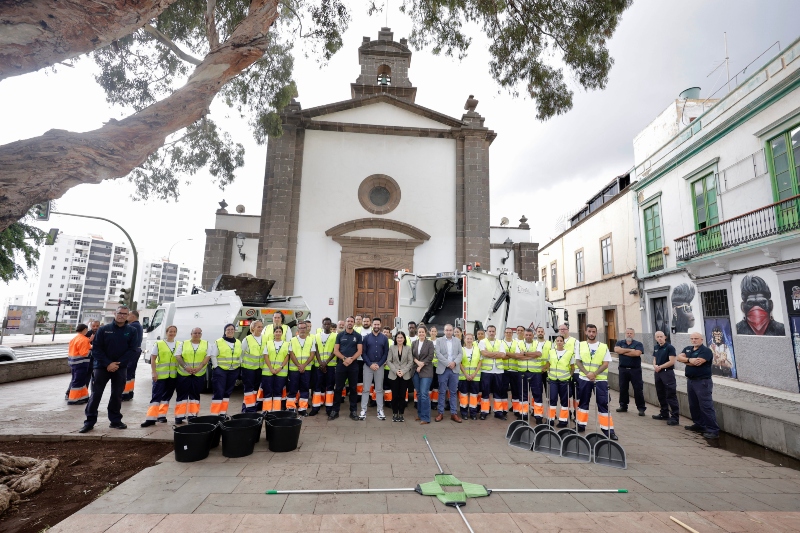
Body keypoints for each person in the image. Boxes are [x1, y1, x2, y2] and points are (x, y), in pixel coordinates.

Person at [79, 306, 137, 433]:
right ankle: (89, 422)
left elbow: (133, 350)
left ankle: (115, 420)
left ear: (128, 316)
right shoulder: (103, 329)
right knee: (96, 394)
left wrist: (118, 364)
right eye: (120, 313)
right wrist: (108, 364)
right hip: (101, 367)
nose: (122, 315)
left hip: (120, 368)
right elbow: (96, 349)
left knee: (117, 395)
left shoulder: (132, 331)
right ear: (115, 313)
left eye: (125, 314)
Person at [574, 324, 617, 440]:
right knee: (583, 403)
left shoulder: (603, 346)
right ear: (586, 332)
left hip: (600, 380)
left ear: (596, 333)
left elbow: (606, 363)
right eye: (589, 331)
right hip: (584, 378)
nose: (591, 334)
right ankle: (580, 425)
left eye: (593, 332)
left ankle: (609, 430)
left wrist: (594, 374)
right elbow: (578, 361)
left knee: (603, 403)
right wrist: (587, 373)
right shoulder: (580, 345)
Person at [677, 332, 719, 439]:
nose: (694, 340)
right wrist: (689, 360)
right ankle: (699, 424)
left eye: (696, 338)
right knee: (693, 405)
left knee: (706, 406)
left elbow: (697, 363)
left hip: (702, 382)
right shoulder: (688, 349)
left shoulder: (706, 351)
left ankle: (713, 430)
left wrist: (685, 360)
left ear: (701, 339)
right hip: (691, 381)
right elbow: (678, 358)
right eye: (692, 338)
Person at [141, 325, 178, 426]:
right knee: (156, 396)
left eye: (174, 331)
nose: (172, 333)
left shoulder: (179, 344)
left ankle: (161, 416)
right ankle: (150, 418)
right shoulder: (159, 344)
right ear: (167, 332)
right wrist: (153, 372)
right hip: (160, 375)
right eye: (170, 331)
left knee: (167, 397)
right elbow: (153, 359)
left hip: (173, 376)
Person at [174, 327, 210, 423]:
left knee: (195, 395)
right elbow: (178, 356)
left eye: (199, 333)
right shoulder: (183, 343)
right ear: (191, 334)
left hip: (198, 374)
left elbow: (207, 357)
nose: (197, 335)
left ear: (201, 334)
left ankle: (192, 416)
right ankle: (179, 417)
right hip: (184, 373)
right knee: (182, 395)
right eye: (195, 333)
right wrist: (186, 367)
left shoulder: (206, 344)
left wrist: (199, 368)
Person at [330, 316, 363, 421]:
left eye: (351, 321)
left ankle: (353, 411)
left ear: (354, 323)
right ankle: (335, 411)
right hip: (341, 365)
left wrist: (351, 359)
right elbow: (336, 350)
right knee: (338, 388)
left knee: (353, 389)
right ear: (345, 323)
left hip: (353, 365)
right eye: (348, 321)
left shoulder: (358, 336)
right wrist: (344, 359)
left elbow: (359, 351)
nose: (350, 323)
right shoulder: (340, 335)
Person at [517, 327, 549, 423]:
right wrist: (531, 356)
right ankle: (523, 414)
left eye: (530, 335)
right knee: (523, 394)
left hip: (535, 372)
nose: (528, 336)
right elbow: (518, 356)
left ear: (533, 335)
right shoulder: (519, 343)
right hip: (522, 372)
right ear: (524, 335)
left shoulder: (537, 343)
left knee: (537, 394)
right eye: (526, 335)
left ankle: (538, 416)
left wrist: (525, 354)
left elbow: (538, 354)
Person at [209, 324, 242, 418]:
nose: (230, 331)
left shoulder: (238, 342)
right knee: (219, 392)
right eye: (228, 329)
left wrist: (239, 365)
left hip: (234, 370)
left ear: (234, 331)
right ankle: (215, 415)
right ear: (225, 331)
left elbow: (240, 355)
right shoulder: (219, 342)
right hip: (221, 371)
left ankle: (222, 413)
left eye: (232, 329)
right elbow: (213, 355)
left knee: (227, 393)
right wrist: (216, 367)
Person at [359, 318, 388, 420]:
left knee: (379, 389)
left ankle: (380, 410)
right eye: (374, 324)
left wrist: (379, 364)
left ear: (380, 325)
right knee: (366, 389)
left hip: (379, 366)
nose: (376, 326)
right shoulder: (366, 338)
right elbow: (363, 353)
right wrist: (370, 364)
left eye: (378, 324)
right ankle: (363, 410)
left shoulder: (384, 338)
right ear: (372, 325)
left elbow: (386, 353)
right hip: (368, 366)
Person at [435, 324, 463, 423]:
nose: (449, 332)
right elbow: (438, 354)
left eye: (450, 330)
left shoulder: (457, 341)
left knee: (453, 392)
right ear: (444, 331)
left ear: (453, 331)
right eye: (447, 330)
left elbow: (460, 354)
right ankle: (440, 413)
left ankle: (453, 413)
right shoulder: (439, 340)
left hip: (454, 369)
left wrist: (454, 363)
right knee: (442, 391)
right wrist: (448, 363)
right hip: (443, 369)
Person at [615, 328, 646, 416]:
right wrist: (631, 350)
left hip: (635, 370)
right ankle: (623, 406)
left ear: (634, 334)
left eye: (631, 333)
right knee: (623, 388)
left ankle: (641, 408)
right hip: (623, 369)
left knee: (638, 389)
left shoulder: (638, 344)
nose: (629, 334)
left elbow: (637, 353)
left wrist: (623, 351)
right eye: (628, 333)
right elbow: (617, 350)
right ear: (625, 334)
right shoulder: (620, 343)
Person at [478, 325, 507, 420]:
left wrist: (489, 354)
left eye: (493, 331)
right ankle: (484, 411)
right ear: (487, 332)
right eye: (489, 331)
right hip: (486, 371)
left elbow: (503, 355)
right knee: (485, 392)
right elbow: (484, 353)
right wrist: (497, 353)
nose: (491, 333)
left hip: (498, 371)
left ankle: (498, 412)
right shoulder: (482, 342)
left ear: (495, 332)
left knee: (498, 392)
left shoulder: (500, 342)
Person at [287, 322, 316, 416]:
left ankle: (302, 409)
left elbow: (312, 354)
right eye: (301, 328)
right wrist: (299, 365)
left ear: (307, 329)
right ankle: (291, 408)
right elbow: (291, 354)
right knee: (293, 389)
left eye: (304, 328)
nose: (302, 330)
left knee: (305, 389)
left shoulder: (311, 340)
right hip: (294, 369)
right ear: (298, 329)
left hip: (306, 369)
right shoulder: (292, 340)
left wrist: (304, 365)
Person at [544, 335, 573, 427]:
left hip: (564, 380)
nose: (559, 342)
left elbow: (572, 367)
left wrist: (569, 376)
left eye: (561, 341)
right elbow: (548, 364)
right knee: (552, 399)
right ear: (555, 342)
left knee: (564, 400)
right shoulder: (551, 352)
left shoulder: (569, 353)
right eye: (558, 341)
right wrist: (545, 370)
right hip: (553, 380)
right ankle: (550, 419)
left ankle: (563, 421)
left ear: (564, 342)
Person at [652, 331, 679, 425]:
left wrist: (661, 367)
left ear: (665, 337)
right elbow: (654, 359)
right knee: (660, 393)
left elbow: (672, 361)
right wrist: (655, 366)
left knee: (670, 395)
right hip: (658, 373)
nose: (659, 338)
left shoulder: (670, 347)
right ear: (655, 338)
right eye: (658, 337)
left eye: (661, 336)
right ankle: (664, 413)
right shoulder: (656, 347)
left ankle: (675, 417)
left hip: (667, 373)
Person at [261, 325, 290, 413]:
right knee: (268, 391)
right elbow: (266, 356)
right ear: (273, 333)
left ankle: (276, 411)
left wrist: (280, 367)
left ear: (282, 333)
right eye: (276, 331)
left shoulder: (286, 344)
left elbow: (287, 357)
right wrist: (271, 368)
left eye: (279, 332)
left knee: (278, 392)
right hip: (268, 372)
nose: (278, 333)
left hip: (281, 372)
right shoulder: (268, 343)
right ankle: (266, 410)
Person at [312, 317, 337, 416]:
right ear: (322, 325)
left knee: (330, 386)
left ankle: (329, 408)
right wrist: (321, 363)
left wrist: (326, 362)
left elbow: (335, 351)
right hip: (319, 366)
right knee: (317, 386)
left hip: (330, 365)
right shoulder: (316, 336)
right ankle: (315, 407)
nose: (326, 325)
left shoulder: (335, 336)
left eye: (328, 324)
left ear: (331, 325)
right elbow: (316, 350)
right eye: (325, 324)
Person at [387, 331, 414, 422]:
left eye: (401, 337)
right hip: (394, 375)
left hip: (404, 375)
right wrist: (396, 371)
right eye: (398, 337)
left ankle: (401, 413)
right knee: (395, 395)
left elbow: (410, 361)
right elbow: (389, 361)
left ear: (404, 339)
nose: (399, 339)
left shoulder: (408, 348)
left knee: (402, 396)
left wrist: (403, 371)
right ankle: (395, 413)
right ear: (395, 339)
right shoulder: (392, 348)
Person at [411, 325, 435, 424]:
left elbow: (430, 356)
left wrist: (421, 365)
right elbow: (411, 355)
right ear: (417, 333)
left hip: (426, 371)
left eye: (423, 332)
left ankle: (426, 417)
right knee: (419, 394)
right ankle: (420, 414)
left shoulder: (430, 343)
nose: (421, 333)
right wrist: (417, 362)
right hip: (415, 371)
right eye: (419, 332)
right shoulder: (414, 343)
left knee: (424, 394)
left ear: (426, 333)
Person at [241, 320, 264, 412]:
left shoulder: (265, 338)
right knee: (249, 389)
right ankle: (249, 410)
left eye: (261, 327)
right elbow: (241, 353)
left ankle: (248, 406)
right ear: (253, 328)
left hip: (259, 368)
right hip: (248, 368)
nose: (260, 329)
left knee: (255, 389)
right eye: (258, 327)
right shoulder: (247, 339)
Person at [458, 332, 481, 420]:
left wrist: (474, 374)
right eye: (467, 338)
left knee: (474, 396)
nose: (469, 340)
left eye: (471, 339)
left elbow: (480, 362)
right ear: (464, 340)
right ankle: (464, 413)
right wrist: (466, 374)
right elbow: (459, 363)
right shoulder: (461, 349)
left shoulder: (477, 349)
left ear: (473, 340)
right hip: (463, 376)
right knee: (463, 395)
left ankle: (473, 413)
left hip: (475, 377)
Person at [66, 324, 92, 405]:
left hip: (73, 363)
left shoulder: (74, 339)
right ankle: (73, 399)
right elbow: (84, 353)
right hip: (81, 363)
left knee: (79, 380)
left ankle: (83, 397)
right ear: (85, 329)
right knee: (78, 381)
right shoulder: (84, 339)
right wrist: (92, 349)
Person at [122, 309, 143, 401]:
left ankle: (124, 394)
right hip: (136, 350)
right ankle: (129, 392)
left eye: (128, 315)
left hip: (131, 351)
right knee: (131, 372)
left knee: (126, 372)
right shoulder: (138, 325)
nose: (126, 316)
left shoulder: (132, 326)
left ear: (133, 317)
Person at [558, 324, 579, 416]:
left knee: (576, 395)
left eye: (564, 329)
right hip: (563, 373)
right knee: (564, 395)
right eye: (560, 329)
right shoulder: (557, 341)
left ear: (568, 330)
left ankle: (576, 413)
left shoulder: (575, 341)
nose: (562, 330)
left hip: (574, 372)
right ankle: (567, 414)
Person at [501, 327, 520, 418]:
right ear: (504, 333)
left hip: (515, 370)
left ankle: (516, 410)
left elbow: (517, 356)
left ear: (512, 334)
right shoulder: (501, 343)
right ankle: (504, 410)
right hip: (504, 370)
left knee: (515, 391)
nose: (508, 334)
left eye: (510, 332)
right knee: (503, 391)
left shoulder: (517, 343)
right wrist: (512, 354)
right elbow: (502, 356)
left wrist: (507, 353)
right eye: (507, 332)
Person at [429, 325, 440, 410]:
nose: (433, 333)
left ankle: (434, 402)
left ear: (437, 333)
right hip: (429, 366)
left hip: (438, 366)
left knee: (436, 385)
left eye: (435, 331)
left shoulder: (439, 341)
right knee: (430, 384)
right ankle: (428, 402)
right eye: (432, 331)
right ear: (430, 332)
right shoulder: (427, 341)